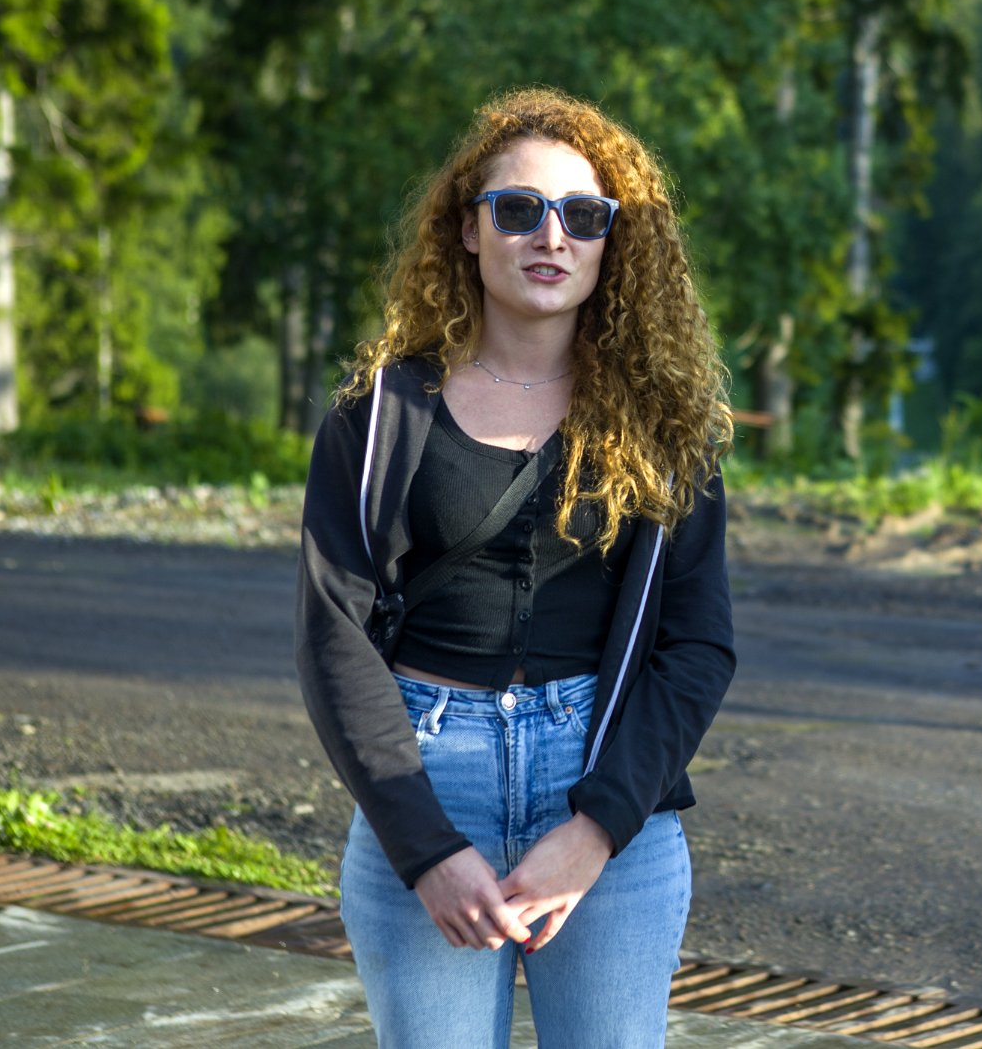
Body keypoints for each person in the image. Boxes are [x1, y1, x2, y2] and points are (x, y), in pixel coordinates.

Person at [296, 88, 735, 1049]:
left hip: (604, 788)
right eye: (519, 208)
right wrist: (425, 849)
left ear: (614, 240)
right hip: (427, 775)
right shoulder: (379, 415)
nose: (552, 235)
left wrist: (597, 829)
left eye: (583, 214)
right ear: (467, 228)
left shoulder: (664, 426)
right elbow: (334, 636)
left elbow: (698, 645)